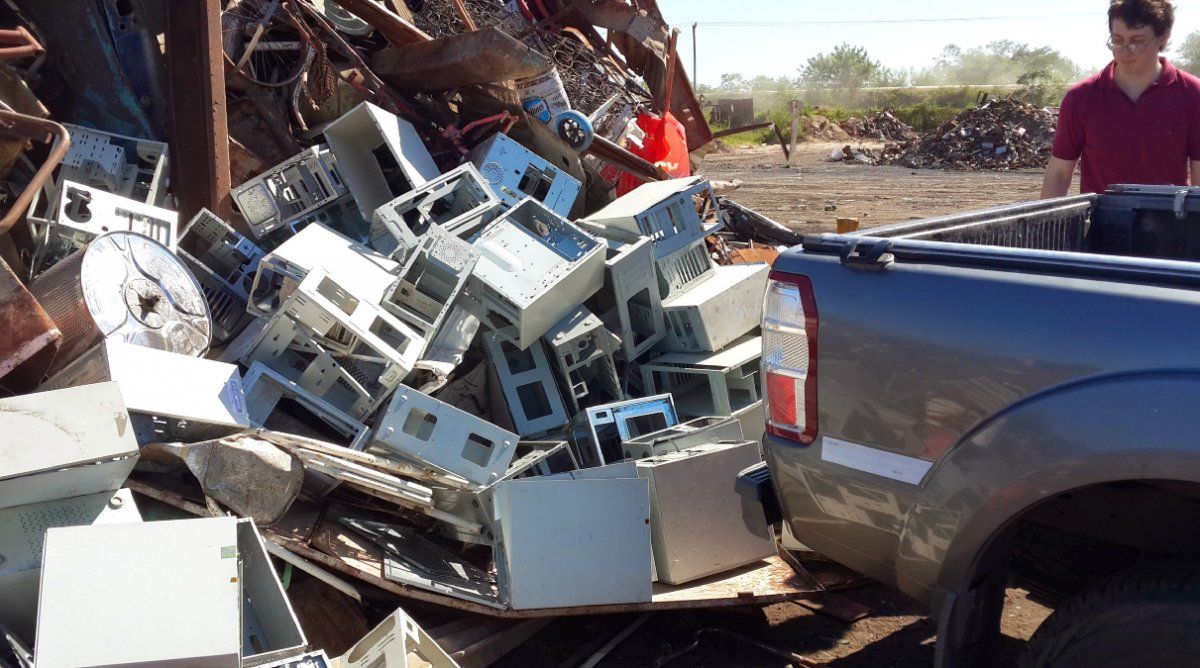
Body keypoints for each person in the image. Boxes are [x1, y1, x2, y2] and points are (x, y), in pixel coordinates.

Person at [1041, 0, 1200, 198]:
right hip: (1102, 225)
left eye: (1137, 41)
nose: (1125, 51)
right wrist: (1048, 226)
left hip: (1169, 224)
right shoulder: (1081, 98)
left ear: (1163, 36)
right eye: (1117, 40)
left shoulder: (1192, 94)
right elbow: (1059, 174)